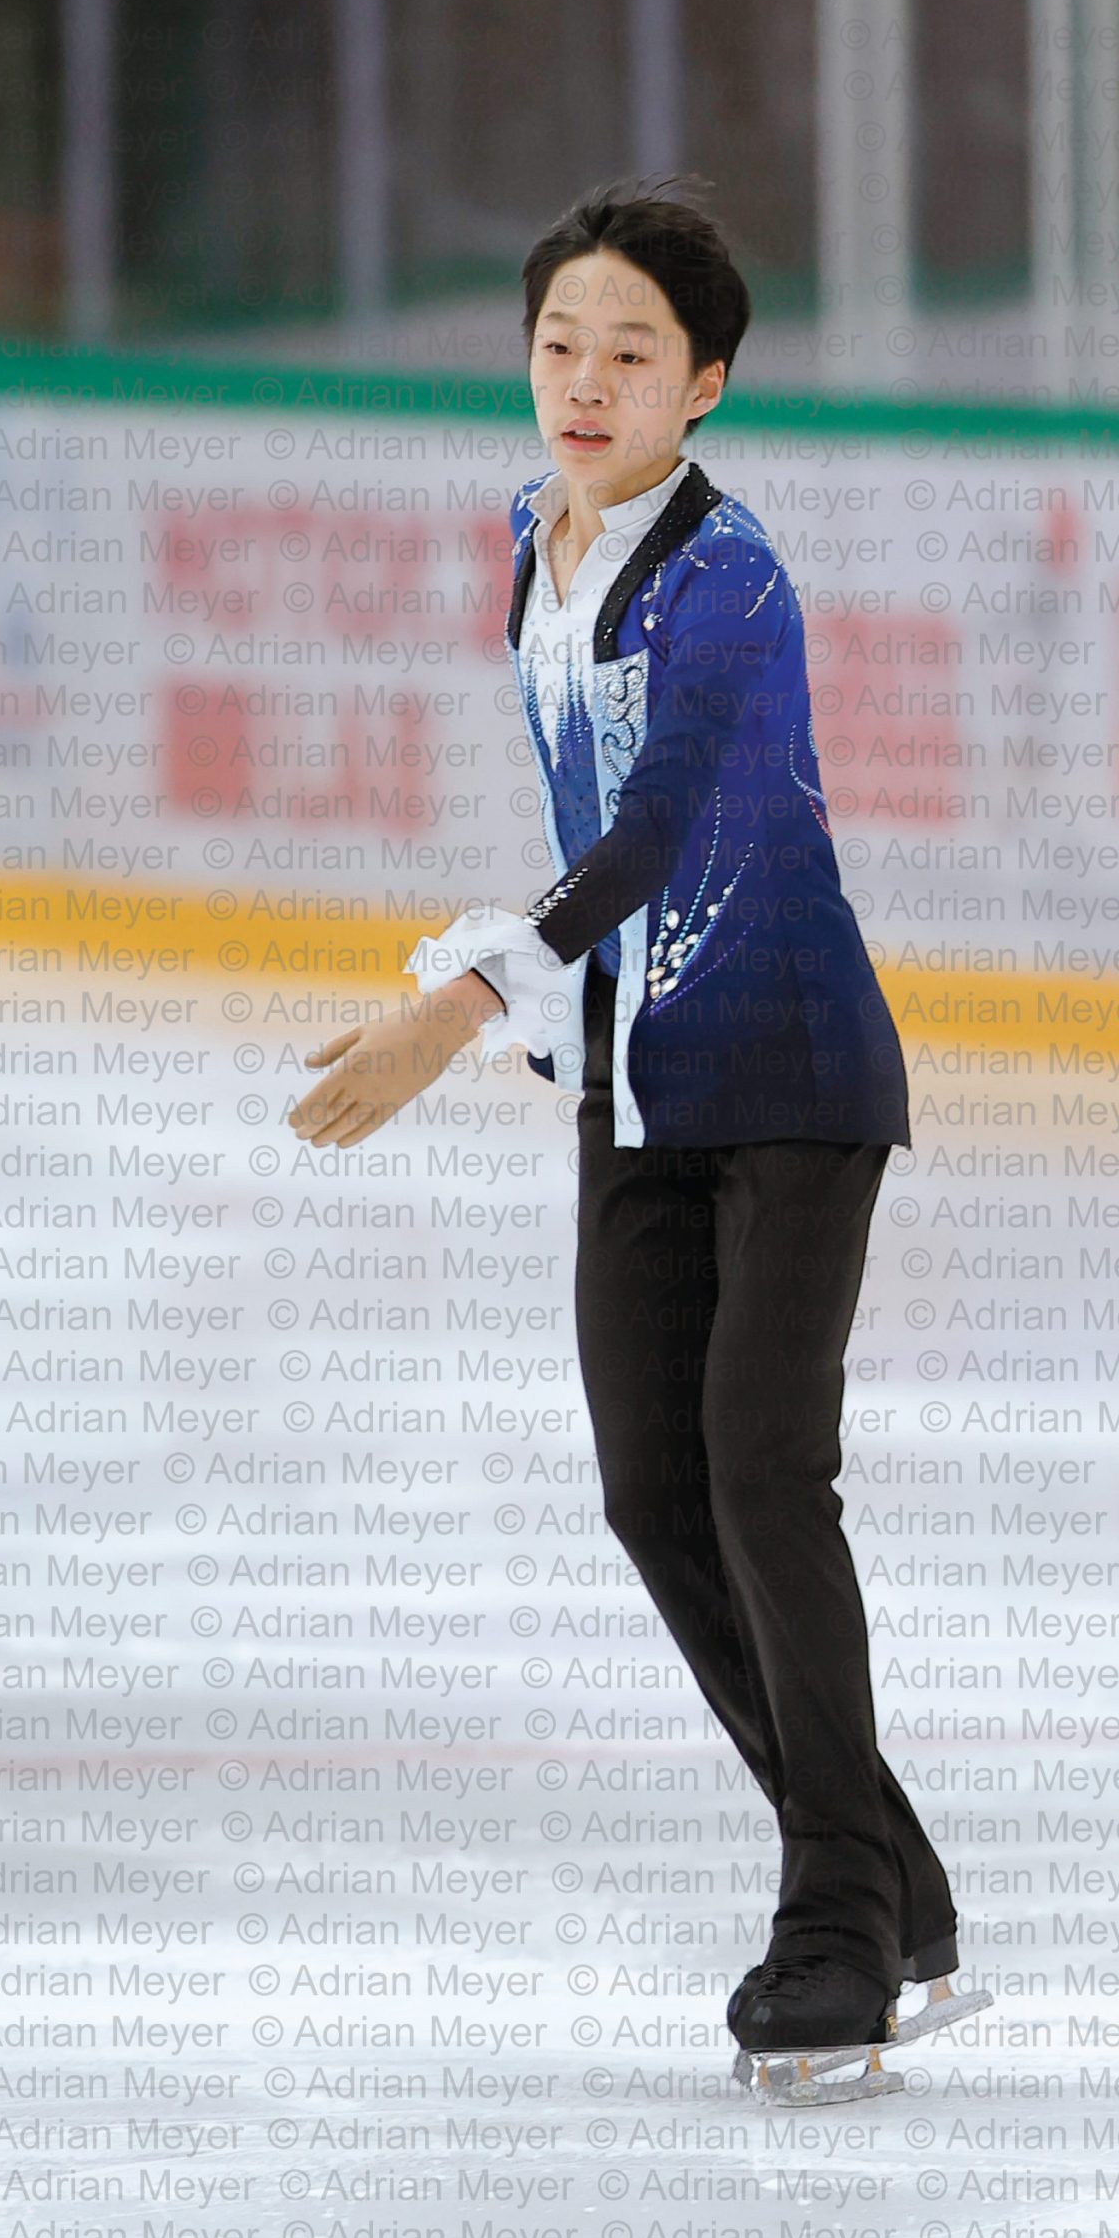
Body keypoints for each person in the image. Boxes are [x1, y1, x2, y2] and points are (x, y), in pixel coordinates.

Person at [287, 176, 969, 2075]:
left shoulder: (727, 578)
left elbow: (660, 819)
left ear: (706, 384)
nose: (584, 383)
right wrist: (549, 1016)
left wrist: (458, 1005)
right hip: (640, 1075)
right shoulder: (539, 540)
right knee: (652, 1495)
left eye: (631, 354)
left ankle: (835, 1923)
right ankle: (889, 1874)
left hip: (794, 1067)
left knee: (760, 1473)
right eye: (558, 345)